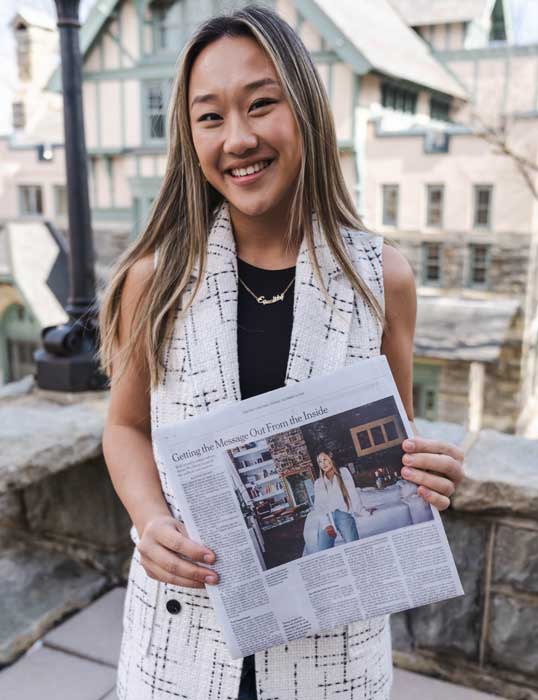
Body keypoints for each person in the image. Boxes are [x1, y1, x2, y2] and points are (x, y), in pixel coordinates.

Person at [99, 6, 465, 700]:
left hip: (330, 653)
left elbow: (397, 438)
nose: (237, 139)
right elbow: (124, 425)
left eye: (260, 105)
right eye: (210, 117)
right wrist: (150, 521)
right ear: (189, 135)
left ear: (304, 110)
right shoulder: (158, 276)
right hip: (181, 636)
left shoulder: (380, 277)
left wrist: (431, 472)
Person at [313, 451, 364, 549]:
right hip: (326, 517)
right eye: (320, 462)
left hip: (343, 514)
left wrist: (362, 510)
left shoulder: (343, 472)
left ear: (331, 458)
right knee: (323, 553)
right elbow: (318, 506)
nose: (323, 463)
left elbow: (353, 494)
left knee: (354, 548)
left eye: (325, 459)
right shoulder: (318, 483)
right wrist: (326, 524)